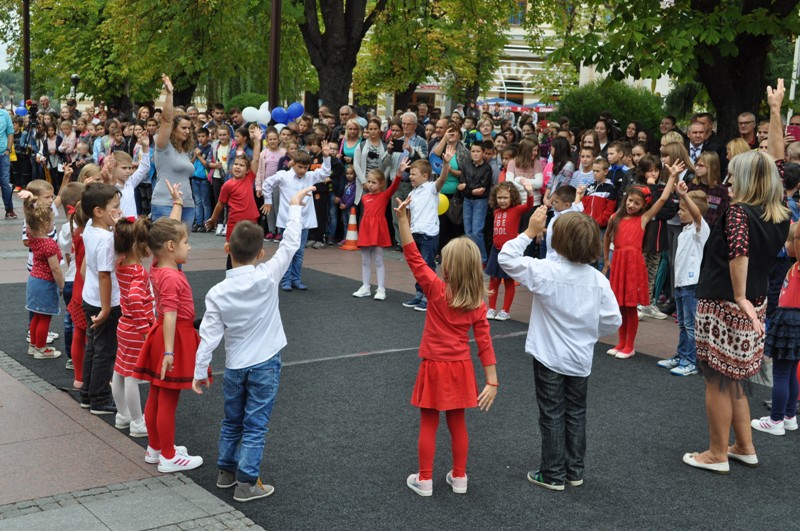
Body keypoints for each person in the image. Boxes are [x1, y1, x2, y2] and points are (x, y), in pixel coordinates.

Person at [684, 82, 792, 474]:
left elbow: (739, 254)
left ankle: (715, 453)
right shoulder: (777, 207)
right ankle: (744, 445)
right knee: (735, 379)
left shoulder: (738, 212)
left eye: (733, 173)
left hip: (726, 301)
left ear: (743, 179)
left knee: (716, 378)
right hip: (753, 302)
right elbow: (776, 160)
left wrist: (741, 296)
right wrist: (776, 110)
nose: (728, 178)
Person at [192, 187, 313, 502]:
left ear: (227, 249)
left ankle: (226, 471)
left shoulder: (217, 292)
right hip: (265, 363)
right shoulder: (268, 275)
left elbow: (209, 333)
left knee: (232, 420)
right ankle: (247, 484)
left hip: (234, 365)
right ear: (260, 253)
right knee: (255, 425)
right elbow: (290, 243)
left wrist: (200, 368)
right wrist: (296, 206)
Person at [499, 206, 620, 490]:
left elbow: (506, 257)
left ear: (558, 241)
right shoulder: (598, 280)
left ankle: (552, 473)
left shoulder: (546, 270)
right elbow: (613, 320)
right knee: (576, 411)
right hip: (580, 357)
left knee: (552, 412)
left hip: (549, 356)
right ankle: (573, 470)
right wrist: (591, 332)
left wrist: (529, 231)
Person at [394, 196, 497, 498]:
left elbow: (414, 256)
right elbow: (484, 344)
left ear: (449, 268)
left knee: (428, 421)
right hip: (461, 367)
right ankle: (460, 477)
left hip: (433, 365)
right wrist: (492, 380)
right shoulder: (477, 304)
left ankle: (424, 479)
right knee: (457, 422)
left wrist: (403, 220)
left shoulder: (437, 291)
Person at [132, 195, 208, 473]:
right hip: (173, 337)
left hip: (162, 334)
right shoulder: (173, 276)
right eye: (186, 243)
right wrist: (169, 352)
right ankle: (168, 455)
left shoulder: (158, 266)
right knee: (167, 400)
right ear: (171, 246)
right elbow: (172, 316)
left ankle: (156, 447)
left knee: (156, 395)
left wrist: (176, 204)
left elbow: (166, 233)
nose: (189, 247)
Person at [603, 163, 678, 359]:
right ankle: (621, 342)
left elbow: (662, 199)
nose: (631, 205)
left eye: (636, 203)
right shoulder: (615, 218)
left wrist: (671, 178)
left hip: (633, 264)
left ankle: (630, 345)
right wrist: (606, 261)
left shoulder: (644, 219)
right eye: (629, 201)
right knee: (619, 306)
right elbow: (606, 238)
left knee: (630, 307)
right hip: (619, 263)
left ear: (643, 205)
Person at [657, 182, 710, 376]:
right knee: (682, 324)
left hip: (691, 285)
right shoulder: (685, 231)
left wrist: (685, 196)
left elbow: (696, 214)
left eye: (683, 209)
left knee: (690, 325)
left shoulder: (700, 228)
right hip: (680, 284)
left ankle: (691, 361)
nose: (679, 213)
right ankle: (682, 354)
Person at [262, 146, 332, 291]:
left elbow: (325, 172)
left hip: (303, 221)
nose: (303, 170)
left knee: (299, 252)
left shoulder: (310, 176)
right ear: (293, 164)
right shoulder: (283, 175)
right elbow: (267, 184)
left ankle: (296, 279)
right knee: (286, 251)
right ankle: (285, 280)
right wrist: (268, 200)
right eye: (300, 167)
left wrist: (326, 157)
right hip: (286, 220)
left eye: (306, 168)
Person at [80, 182, 123, 414]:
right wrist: (107, 308)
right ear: (99, 211)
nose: (119, 211)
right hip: (105, 301)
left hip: (90, 297)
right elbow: (106, 275)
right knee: (105, 350)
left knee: (93, 348)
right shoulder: (106, 239)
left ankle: (87, 393)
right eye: (115, 207)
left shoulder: (90, 226)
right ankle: (99, 398)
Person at [112, 216, 156, 438]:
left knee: (120, 370)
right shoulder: (138, 271)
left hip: (124, 324)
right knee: (131, 376)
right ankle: (138, 422)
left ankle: (123, 415)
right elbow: (136, 298)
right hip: (135, 327)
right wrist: (146, 329)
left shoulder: (120, 262)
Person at [755, 219, 800, 435]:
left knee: (781, 372)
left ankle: (776, 420)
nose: (787, 243)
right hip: (791, 320)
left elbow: (797, 236)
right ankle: (789, 415)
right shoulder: (793, 265)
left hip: (791, 321)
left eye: (790, 240)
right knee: (789, 372)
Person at [352, 166, 403, 300]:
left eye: (373, 182)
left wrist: (398, 174)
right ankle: (365, 287)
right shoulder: (364, 197)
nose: (370, 185)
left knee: (379, 259)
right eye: (369, 182)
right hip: (366, 229)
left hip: (378, 229)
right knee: (364, 260)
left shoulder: (384, 195)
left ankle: (381, 289)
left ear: (381, 184)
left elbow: (393, 187)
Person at [485, 180, 534, 321]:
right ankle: (492, 308)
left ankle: (505, 310)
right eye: (499, 198)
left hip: (510, 251)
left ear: (512, 198)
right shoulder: (496, 212)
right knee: (493, 280)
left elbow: (529, 205)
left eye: (505, 198)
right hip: (496, 250)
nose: (502, 201)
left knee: (508, 281)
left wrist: (529, 191)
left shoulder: (516, 210)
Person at [152, 74, 196, 225]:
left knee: (182, 247)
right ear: (173, 129)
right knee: (165, 245)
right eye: (183, 128)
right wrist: (169, 94)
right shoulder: (163, 146)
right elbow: (166, 120)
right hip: (165, 203)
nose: (187, 131)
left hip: (187, 204)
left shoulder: (184, 151)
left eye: (189, 129)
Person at [24, 199, 65, 359]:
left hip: (34, 280)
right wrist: (61, 285)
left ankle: (33, 345)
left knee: (36, 315)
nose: (52, 224)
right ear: (43, 224)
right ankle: (41, 348)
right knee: (45, 317)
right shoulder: (49, 245)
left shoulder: (31, 236)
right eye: (51, 221)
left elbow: (29, 222)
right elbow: (55, 268)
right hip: (45, 283)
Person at [206, 155, 261, 270]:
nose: (238, 167)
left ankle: (247, 275)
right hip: (234, 224)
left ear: (247, 170)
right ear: (231, 167)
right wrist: (213, 219)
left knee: (249, 249)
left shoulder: (249, 179)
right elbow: (220, 203)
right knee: (233, 251)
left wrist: (257, 140)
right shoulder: (227, 185)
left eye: (242, 165)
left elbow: (255, 159)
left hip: (251, 223)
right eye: (236, 164)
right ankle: (230, 277)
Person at [401, 160, 442, 312]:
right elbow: (409, 215)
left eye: (413, 174)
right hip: (415, 233)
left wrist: (446, 164)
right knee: (418, 267)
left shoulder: (432, 188)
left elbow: (442, 179)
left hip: (429, 234)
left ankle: (429, 296)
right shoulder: (412, 193)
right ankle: (419, 293)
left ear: (425, 176)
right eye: (410, 174)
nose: (410, 177)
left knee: (427, 265)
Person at [57, 183, 85, 371]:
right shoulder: (84, 231)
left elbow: (66, 255)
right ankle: (82, 357)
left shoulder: (67, 228)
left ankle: (70, 356)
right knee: (82, 325)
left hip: (69, 278)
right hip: (79, 281)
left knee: (70, 321)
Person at [459, 142, 493, 264]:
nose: (475, 154)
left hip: (480, 202)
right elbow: (460, 185)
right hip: (467, 201)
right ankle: (471, 257)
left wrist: (467, 188)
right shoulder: (466, 165)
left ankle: (482, 258)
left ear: (483, 153)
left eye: (478, 151)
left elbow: (482, 189)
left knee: (477, 231)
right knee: (468, 231)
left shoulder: (487, 168)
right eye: (473, 151)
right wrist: (471, 190)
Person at [544, 185, 585, 259]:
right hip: (550, 255)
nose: (553, 203)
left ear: (567, 205)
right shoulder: (556, 214)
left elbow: (577, 207)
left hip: (561, 258)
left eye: (556, 202)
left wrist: (578, 194)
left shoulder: (571, 215)